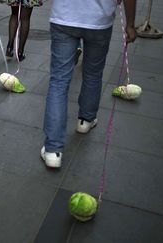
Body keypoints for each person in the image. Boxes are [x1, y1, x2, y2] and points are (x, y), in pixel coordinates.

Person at [41, 0, 136, 168]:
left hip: (64, 16)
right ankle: (85, 120)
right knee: (93, 74)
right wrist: (130, 24)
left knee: (59, 82)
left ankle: (53, 151)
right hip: (99, 20)